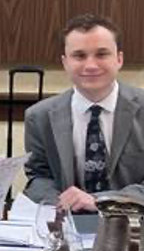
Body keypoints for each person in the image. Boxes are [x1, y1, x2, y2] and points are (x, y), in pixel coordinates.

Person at [24, 14, 144, 212]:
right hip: (68, 225)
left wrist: (101, 201)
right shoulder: (39, 116)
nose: (90, 65)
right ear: (65, 62)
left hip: (133, 225)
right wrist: (62, 203)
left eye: (101, 54)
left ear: (119, 59)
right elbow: (39, 177)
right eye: (79, 56)